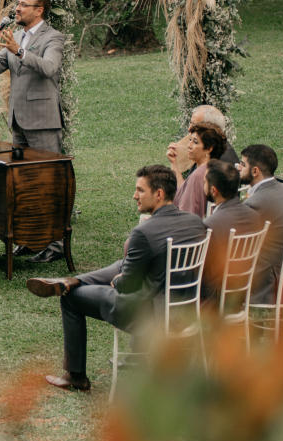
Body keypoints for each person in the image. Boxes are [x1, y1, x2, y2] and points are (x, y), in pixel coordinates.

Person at [26, 165, 208, 391]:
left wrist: (118, 280)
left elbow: (127, 285)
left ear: (159, 194)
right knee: (120, 266)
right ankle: (74, 279)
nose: (135, 196)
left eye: (140, 190)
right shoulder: (195, 222)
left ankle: (75, 376)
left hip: (148, 314)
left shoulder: (144, 232)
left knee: (70, 298)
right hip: (185, 307)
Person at [0, 0, 68, 262]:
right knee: (22, 184)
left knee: (47, 182)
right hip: (18, 120)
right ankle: (29, 240)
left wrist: (17, 50)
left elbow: (49, 68)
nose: (17, 9)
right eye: (17, 4)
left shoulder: (52, 37)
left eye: (23, 5)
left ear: (39, 10)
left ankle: (54, 245)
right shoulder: (14, 36)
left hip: (43, 122)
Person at [238, 144, 283, 303]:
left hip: (265, 281)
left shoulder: (255, 203)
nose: (239, 167)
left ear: (255, 171)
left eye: (243, 164)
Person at [202, 161, 262, 298]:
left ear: (213, 190)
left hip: (216, 296)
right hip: (246, 288)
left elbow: (204, 269)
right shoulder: (256, 217)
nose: (203, 185)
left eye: (204, 182)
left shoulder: (211, 225)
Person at [169, 121, 228, 216]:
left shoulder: (199, 175)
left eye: (195, 142)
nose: (189, 145)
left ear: (209, 148)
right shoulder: (212, 167)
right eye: (190, 140)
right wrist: (174, 163)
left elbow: (185, 214)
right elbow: (184, 191)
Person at [167, 104, 240, 174]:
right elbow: (186, 186)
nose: (189, 129)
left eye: (195, 126)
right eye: (190, 123)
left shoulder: (221, 164)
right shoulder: (208, 151)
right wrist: (174, 163)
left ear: (210, 129)